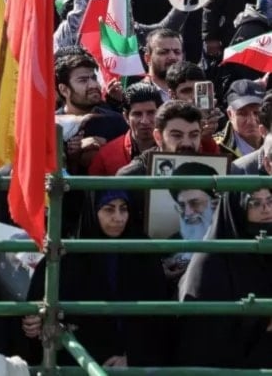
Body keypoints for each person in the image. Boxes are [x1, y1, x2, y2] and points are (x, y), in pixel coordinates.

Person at [22, 190, 167, 367]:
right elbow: (36, 310)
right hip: (78, 364)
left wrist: (134, 359)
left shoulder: (143, 254)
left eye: (124, 209)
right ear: (93, 211)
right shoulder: (68, 257)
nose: (118, 218)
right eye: (109, 209)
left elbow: (159, 320)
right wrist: (33, 322)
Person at [178, 185, 272, 366]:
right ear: (236, 211)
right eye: (255, 203)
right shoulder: (210, 265)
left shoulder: (265, 250)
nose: (266, 209)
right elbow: (208, 343)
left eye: (270, 201)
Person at [88, 83, 161, 176]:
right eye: (137, 114)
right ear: (126, 117)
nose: (145, 121)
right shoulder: (105, 155)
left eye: (151, 113)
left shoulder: (174, 149)